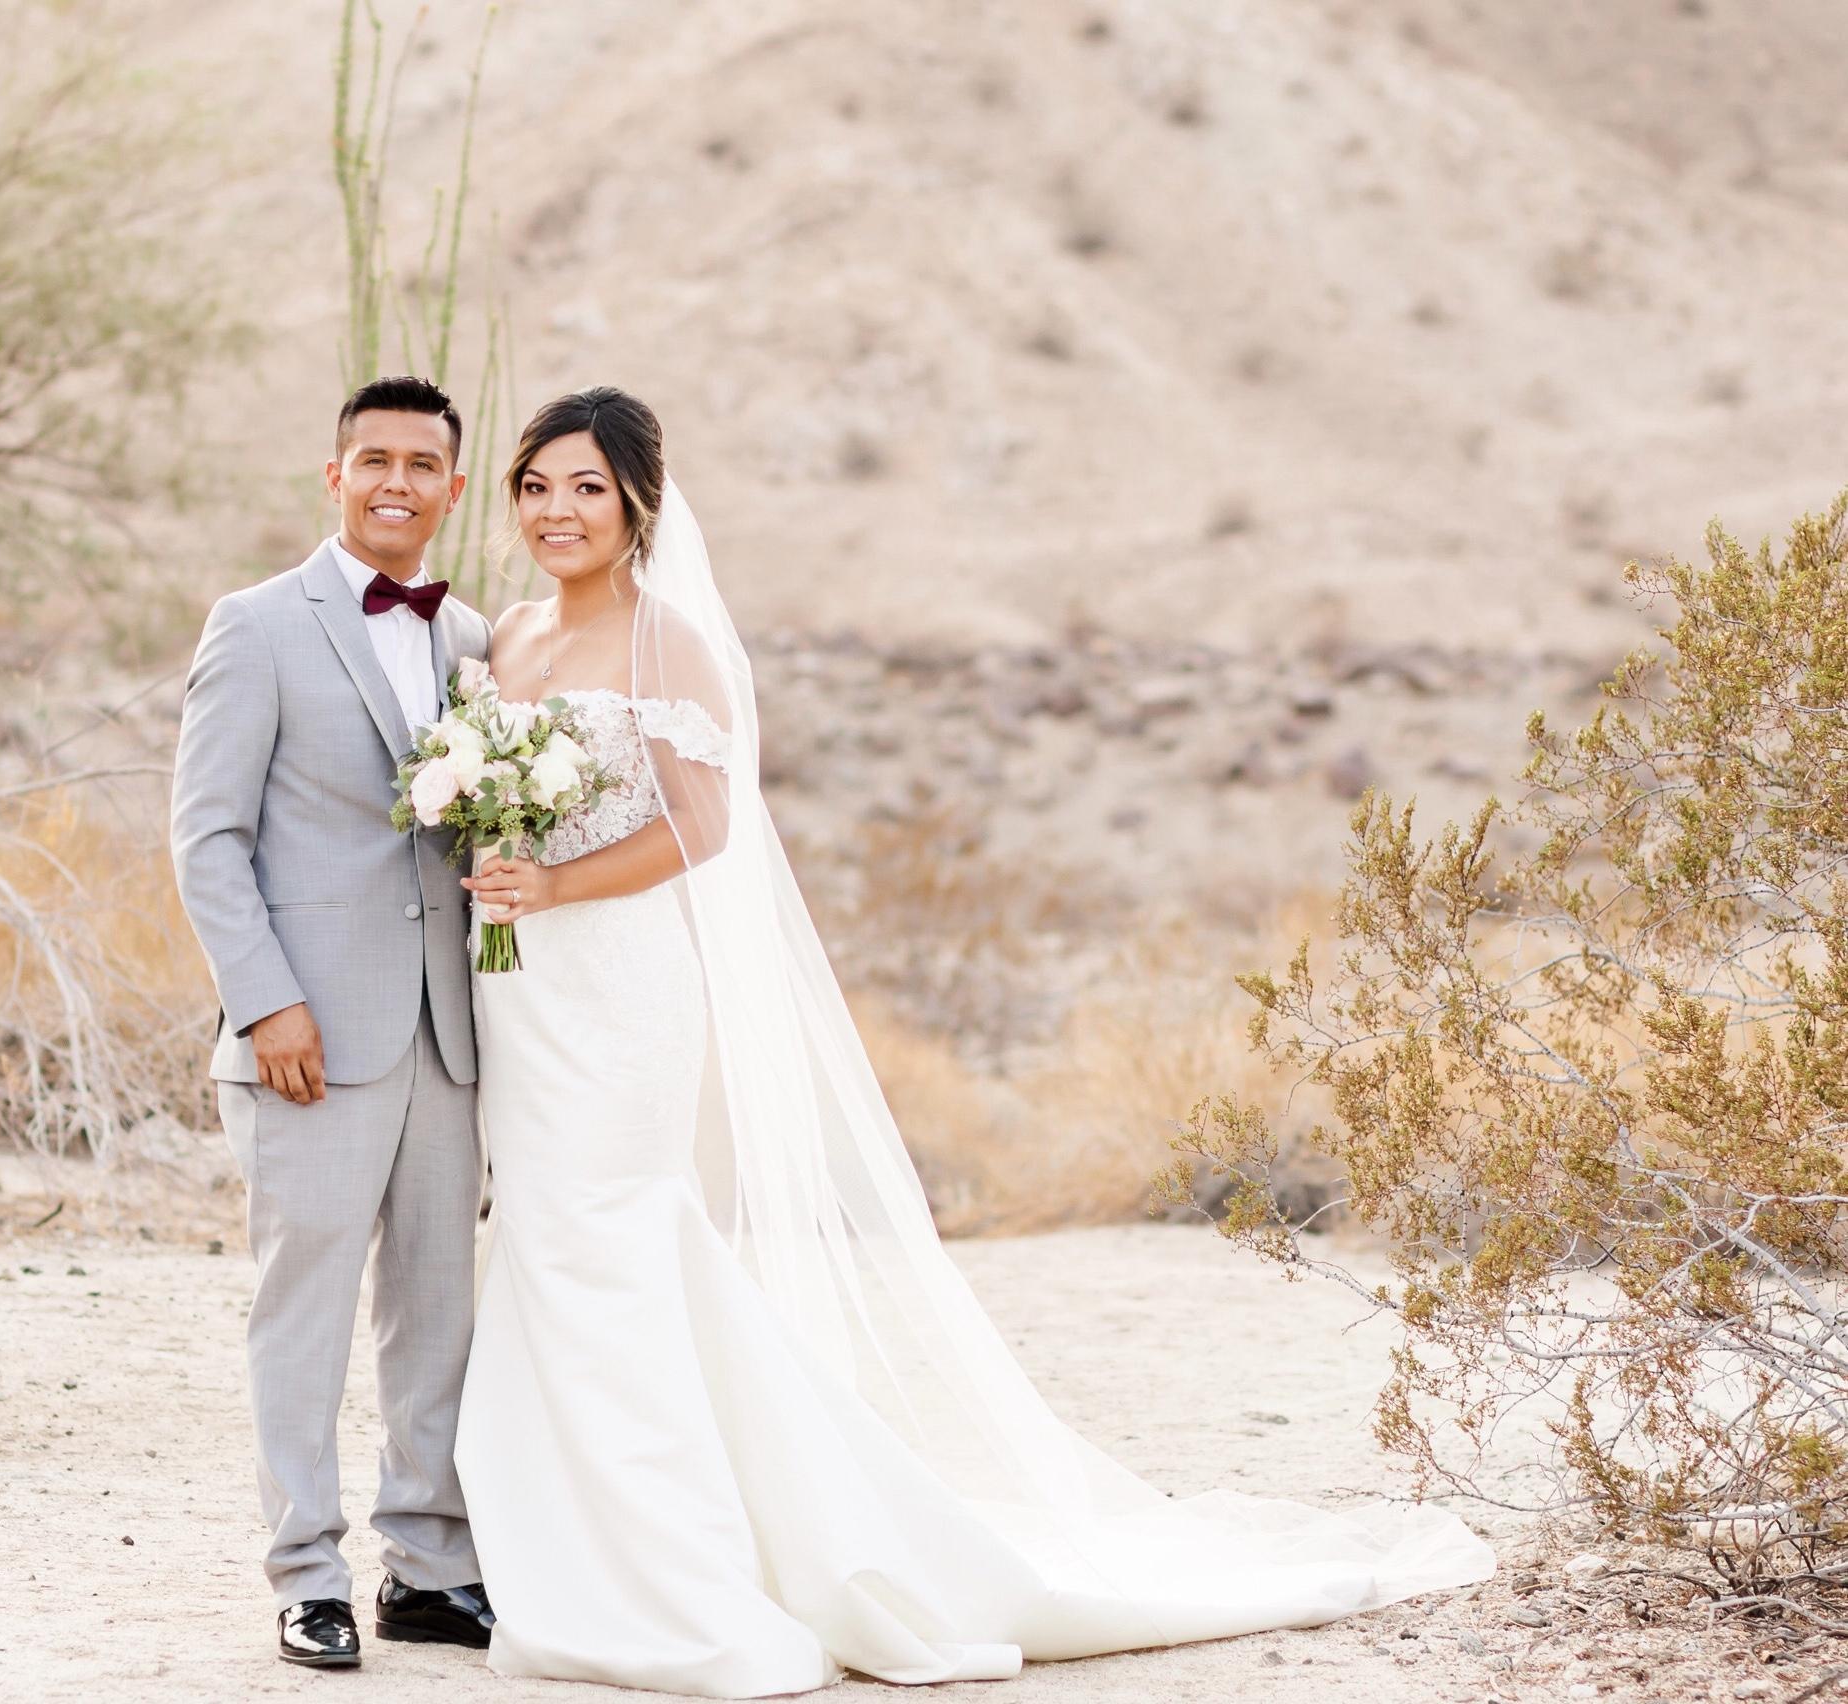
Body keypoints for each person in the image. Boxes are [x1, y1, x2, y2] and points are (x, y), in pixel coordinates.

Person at [449, 385, 1496, 1696]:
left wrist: (557, 884)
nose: (556, 510)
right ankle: (567, 1547)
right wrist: (503, 859)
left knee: (615, 1238)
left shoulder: (671, 643)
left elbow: (702, 829)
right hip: (523, 990)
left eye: (586, 488)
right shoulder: (510, 636)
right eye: (535, 486)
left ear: (638, 503)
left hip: (619, 987)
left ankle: (673, 1568)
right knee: (543, 1240)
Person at [169, 375, 500, 1669]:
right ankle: (307, 1572)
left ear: (452, 489)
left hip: (445, 1040)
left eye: (422, 466)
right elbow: (208, 838)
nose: (396, 484)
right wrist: (268, 1004)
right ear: (335, 475)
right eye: (374, 461)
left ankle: (429, 1565)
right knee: (302, 1311)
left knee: (438, 1312)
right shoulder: (256, 625)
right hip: (305, 1038)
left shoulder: (475, 641)